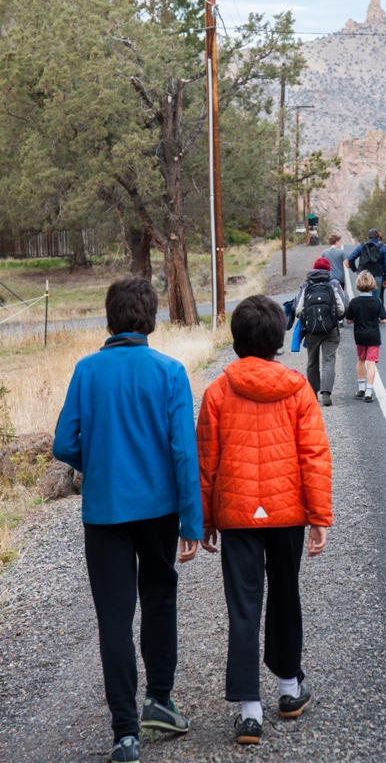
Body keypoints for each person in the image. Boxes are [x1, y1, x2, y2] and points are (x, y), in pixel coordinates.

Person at [53, 276, 203, 763]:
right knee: (159, 600)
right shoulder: (170, 371)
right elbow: (184, 452)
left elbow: (64, 443)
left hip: (104, 512)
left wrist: (96, 459)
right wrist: (191, 521)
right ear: (151, 317)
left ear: (110, 316)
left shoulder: (87, 370)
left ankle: (124, 733)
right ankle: (159, 701)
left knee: (113, 618)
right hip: (159, 510)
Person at [197, 295, 332, 745]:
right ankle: (289, 690)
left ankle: (249, 711)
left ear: (236, 341)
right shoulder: (298, 388)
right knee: (285, 595)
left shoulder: (218, 391)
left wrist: (205, 520)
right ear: (278, 339)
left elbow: (206, 462)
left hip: (237, 517)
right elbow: (313, 456)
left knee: (243, 608)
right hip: (287, 514)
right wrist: (318, 516)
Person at [294, 256, 347, 407]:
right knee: (329, 360)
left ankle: (312, 394)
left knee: (312, 361)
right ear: (328, 270)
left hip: (311, 330)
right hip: (330, 329)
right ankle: (326, 394)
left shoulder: (306, 284)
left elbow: (298, 310)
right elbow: (342, 308)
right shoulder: (334, 283)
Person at [345, 270, 386, 403]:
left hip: (359, 335)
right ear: (372, 284)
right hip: (373, 336)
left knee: (361, 359)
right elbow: (384, 319)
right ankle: (369, 391)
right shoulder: (377, 301)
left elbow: (349, 320)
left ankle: (361, 387)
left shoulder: (354, 302)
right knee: (371, 362)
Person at [345, 228, 386, 309]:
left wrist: (355, 270)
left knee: (364, 296)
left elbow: (350, 258)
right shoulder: (383, 248)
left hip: (364, 276)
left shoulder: (361, 246)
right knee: (377, 297)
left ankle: (365, 314)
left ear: (368, 237)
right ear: (378, 237)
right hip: (377, 275)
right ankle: (377, 315)